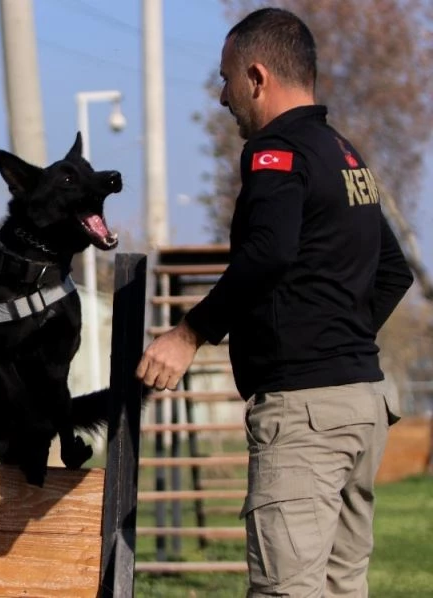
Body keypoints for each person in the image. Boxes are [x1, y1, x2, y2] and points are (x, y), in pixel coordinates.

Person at [135, 7, 414, 597]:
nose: (222, 97)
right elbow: (393, 271)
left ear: (257, 77)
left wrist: (187, 335)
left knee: (286, 590)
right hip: (361, 405)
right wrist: (337, 342)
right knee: (341, 588)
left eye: (226, 79)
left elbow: (267, 254)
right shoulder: (344, 154)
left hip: (306, 418)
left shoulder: (277, 151)